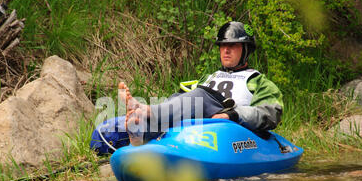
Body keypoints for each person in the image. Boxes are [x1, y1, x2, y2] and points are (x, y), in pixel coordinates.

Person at [119, 21, 283, 146]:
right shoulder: (210, 77)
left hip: (229, 126)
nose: (226, 50)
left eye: (232, 45)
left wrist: (233, 114)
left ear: (246, 50)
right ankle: (142, 132)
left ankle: (147, 111)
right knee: (180, 96)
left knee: (198, 97)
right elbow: (182, 103)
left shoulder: (258, 81)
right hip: (201, 126)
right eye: (223, 46)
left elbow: (270, 113)